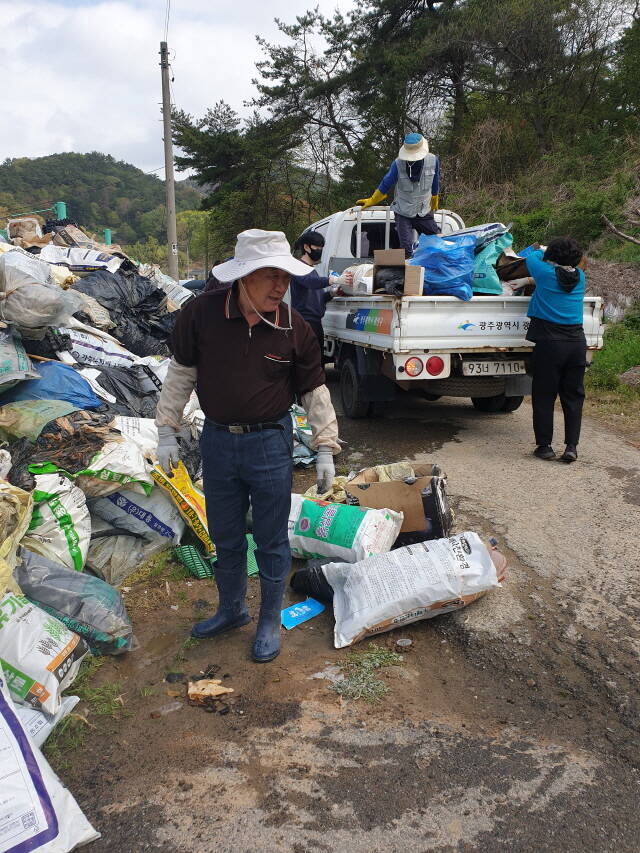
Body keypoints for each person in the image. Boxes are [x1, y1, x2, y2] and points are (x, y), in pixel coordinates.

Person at [155, 229, 340, 662]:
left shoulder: (293, 326)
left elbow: (314, 391)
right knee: (225, 534)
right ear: (243, 277)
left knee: (272, 539)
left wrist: (325, 447)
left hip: (270, 443)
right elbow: (181, 374)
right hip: (219, 441)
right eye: (271, 276)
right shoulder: (201, 314)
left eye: (285, 277)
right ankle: (232, 610)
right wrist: (166, 430)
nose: (280, 286)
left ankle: (269, 620)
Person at [524, 238, 587, 464]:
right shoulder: (581, 277)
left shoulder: (544, 273)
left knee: (544, 395)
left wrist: (543, 249)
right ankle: (571, 447)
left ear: (551, 256)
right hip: (577, 343)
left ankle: (545, 447)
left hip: (550, 343)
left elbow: (531, 256)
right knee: (573, 396)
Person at [356, 132, 440, 256]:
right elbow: (386, 183)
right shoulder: (398, 164)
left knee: (437, 240)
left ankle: (433, 263)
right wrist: (373, 199)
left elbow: (435, 181)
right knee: (406, 249)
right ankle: (409, 266)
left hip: (423, 209)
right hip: (403, 211)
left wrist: (434, 198)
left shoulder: (433, 160)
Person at [289, 231, 352, 357]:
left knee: (317, 362)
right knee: (308, 362)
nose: (319, 251)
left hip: (316, 323)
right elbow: (311, 282)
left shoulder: (312, 271)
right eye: (316, 248)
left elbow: (318, 298)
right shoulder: (297, 267)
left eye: (321, 249)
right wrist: (334, 279)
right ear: (306, 247)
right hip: (304, 323)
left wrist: (333, 293)